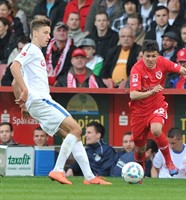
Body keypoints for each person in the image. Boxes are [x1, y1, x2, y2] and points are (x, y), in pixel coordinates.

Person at [10, 17, 111, 185]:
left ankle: (89, 176)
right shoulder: (31, 48)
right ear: (35, 33)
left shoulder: (35, 52)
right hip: (41, 101)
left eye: (49, 33)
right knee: (77, 129)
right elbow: (14, 67)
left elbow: (14, 82)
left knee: (72, 136)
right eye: (45, 33)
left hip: (36, 104)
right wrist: (26, 91)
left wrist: (22, 102)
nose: (49, 37)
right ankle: (58, 170)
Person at [129, 40, 186, 176]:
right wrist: (151, 91)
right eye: (147, 56)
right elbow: (133, 94)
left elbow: (182, 70)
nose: (150, 59)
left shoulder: (163, 62)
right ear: (142, 55)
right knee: (140, 149)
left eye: (153, 56)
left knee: (156, 129)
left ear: (158, 55)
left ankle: (169, 162)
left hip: (156, 105)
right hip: (139, 111)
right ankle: (139, 171)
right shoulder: (137, 69)